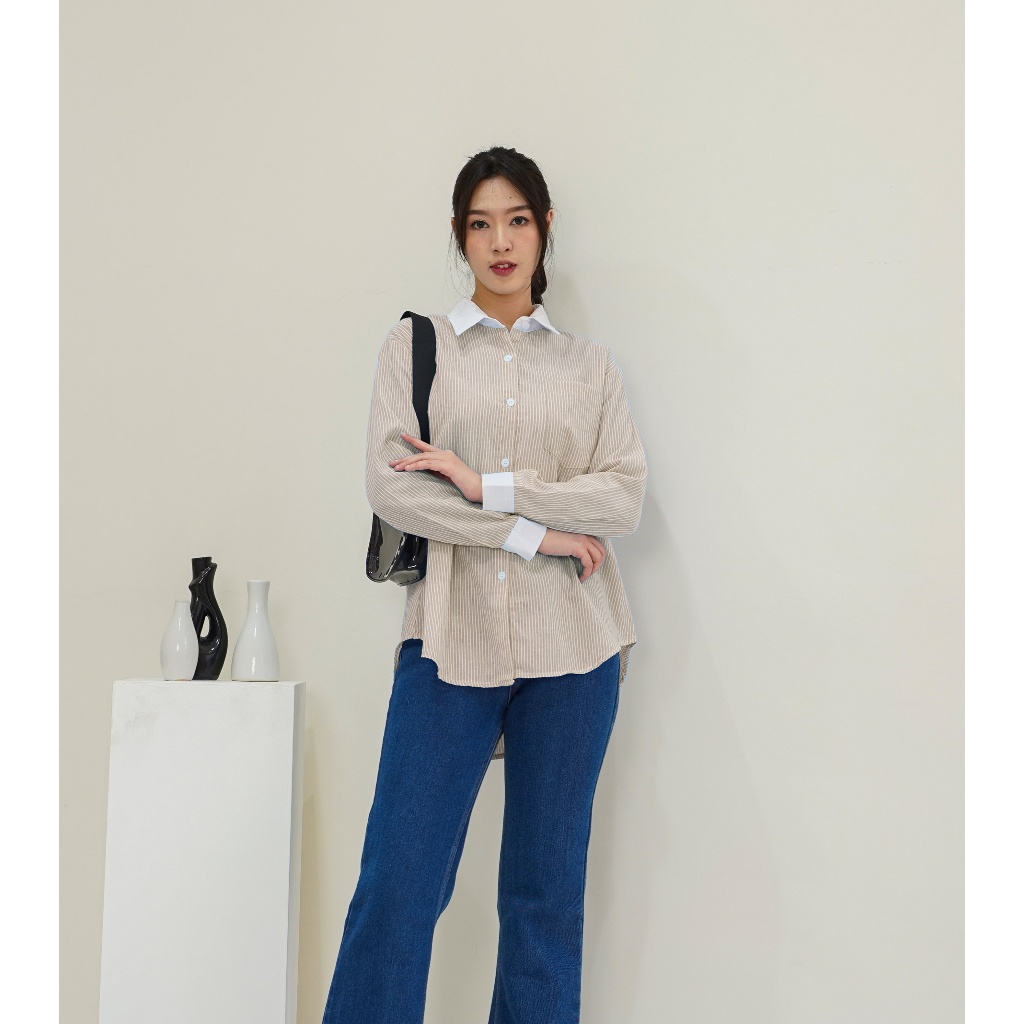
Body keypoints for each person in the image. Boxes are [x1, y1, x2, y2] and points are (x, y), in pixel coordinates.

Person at [321, 145, 648, 1024]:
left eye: (518, 220)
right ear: (459, 236)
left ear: (544, 230)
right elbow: (394, 488)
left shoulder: (589, 366)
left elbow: (621, 497)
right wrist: (534, 531)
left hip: (574, 648)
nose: (500, 242)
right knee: (398, 886)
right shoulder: (415, 346)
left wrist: (485, 485)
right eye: (480, 224)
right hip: (448, 642)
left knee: (544, 901)